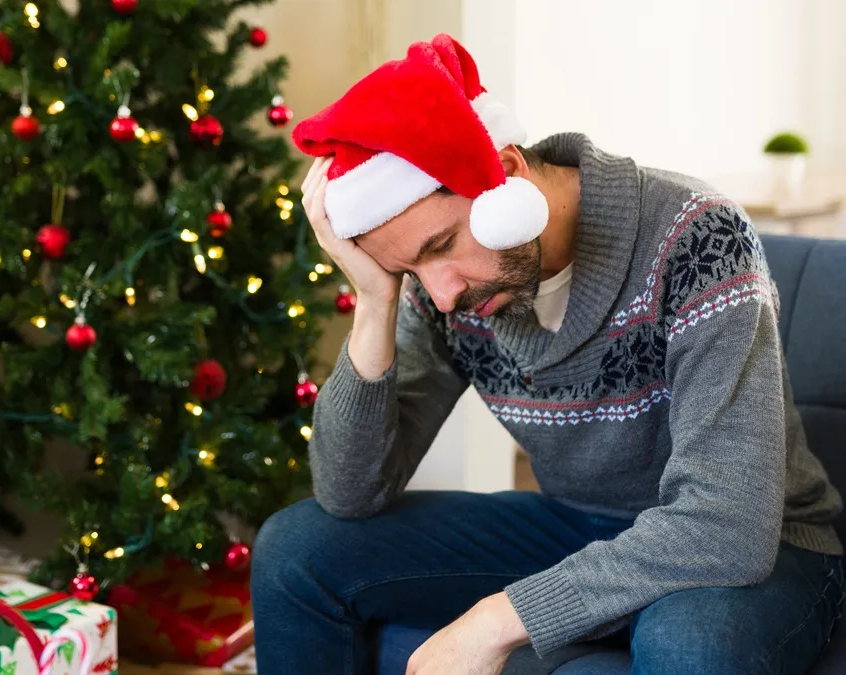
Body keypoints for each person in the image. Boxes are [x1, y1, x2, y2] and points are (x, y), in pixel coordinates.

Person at [251, 33, 845, 675]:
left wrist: (495, 620)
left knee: (689, 647)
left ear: (504, 173)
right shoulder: (449, 291)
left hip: (761, 541)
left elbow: (726, 522)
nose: (443, 295)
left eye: (439, 245)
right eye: (411, 272)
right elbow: (350, 493)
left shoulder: (699, 237)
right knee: (296, 550)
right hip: (579, 526)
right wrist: (376, 300)